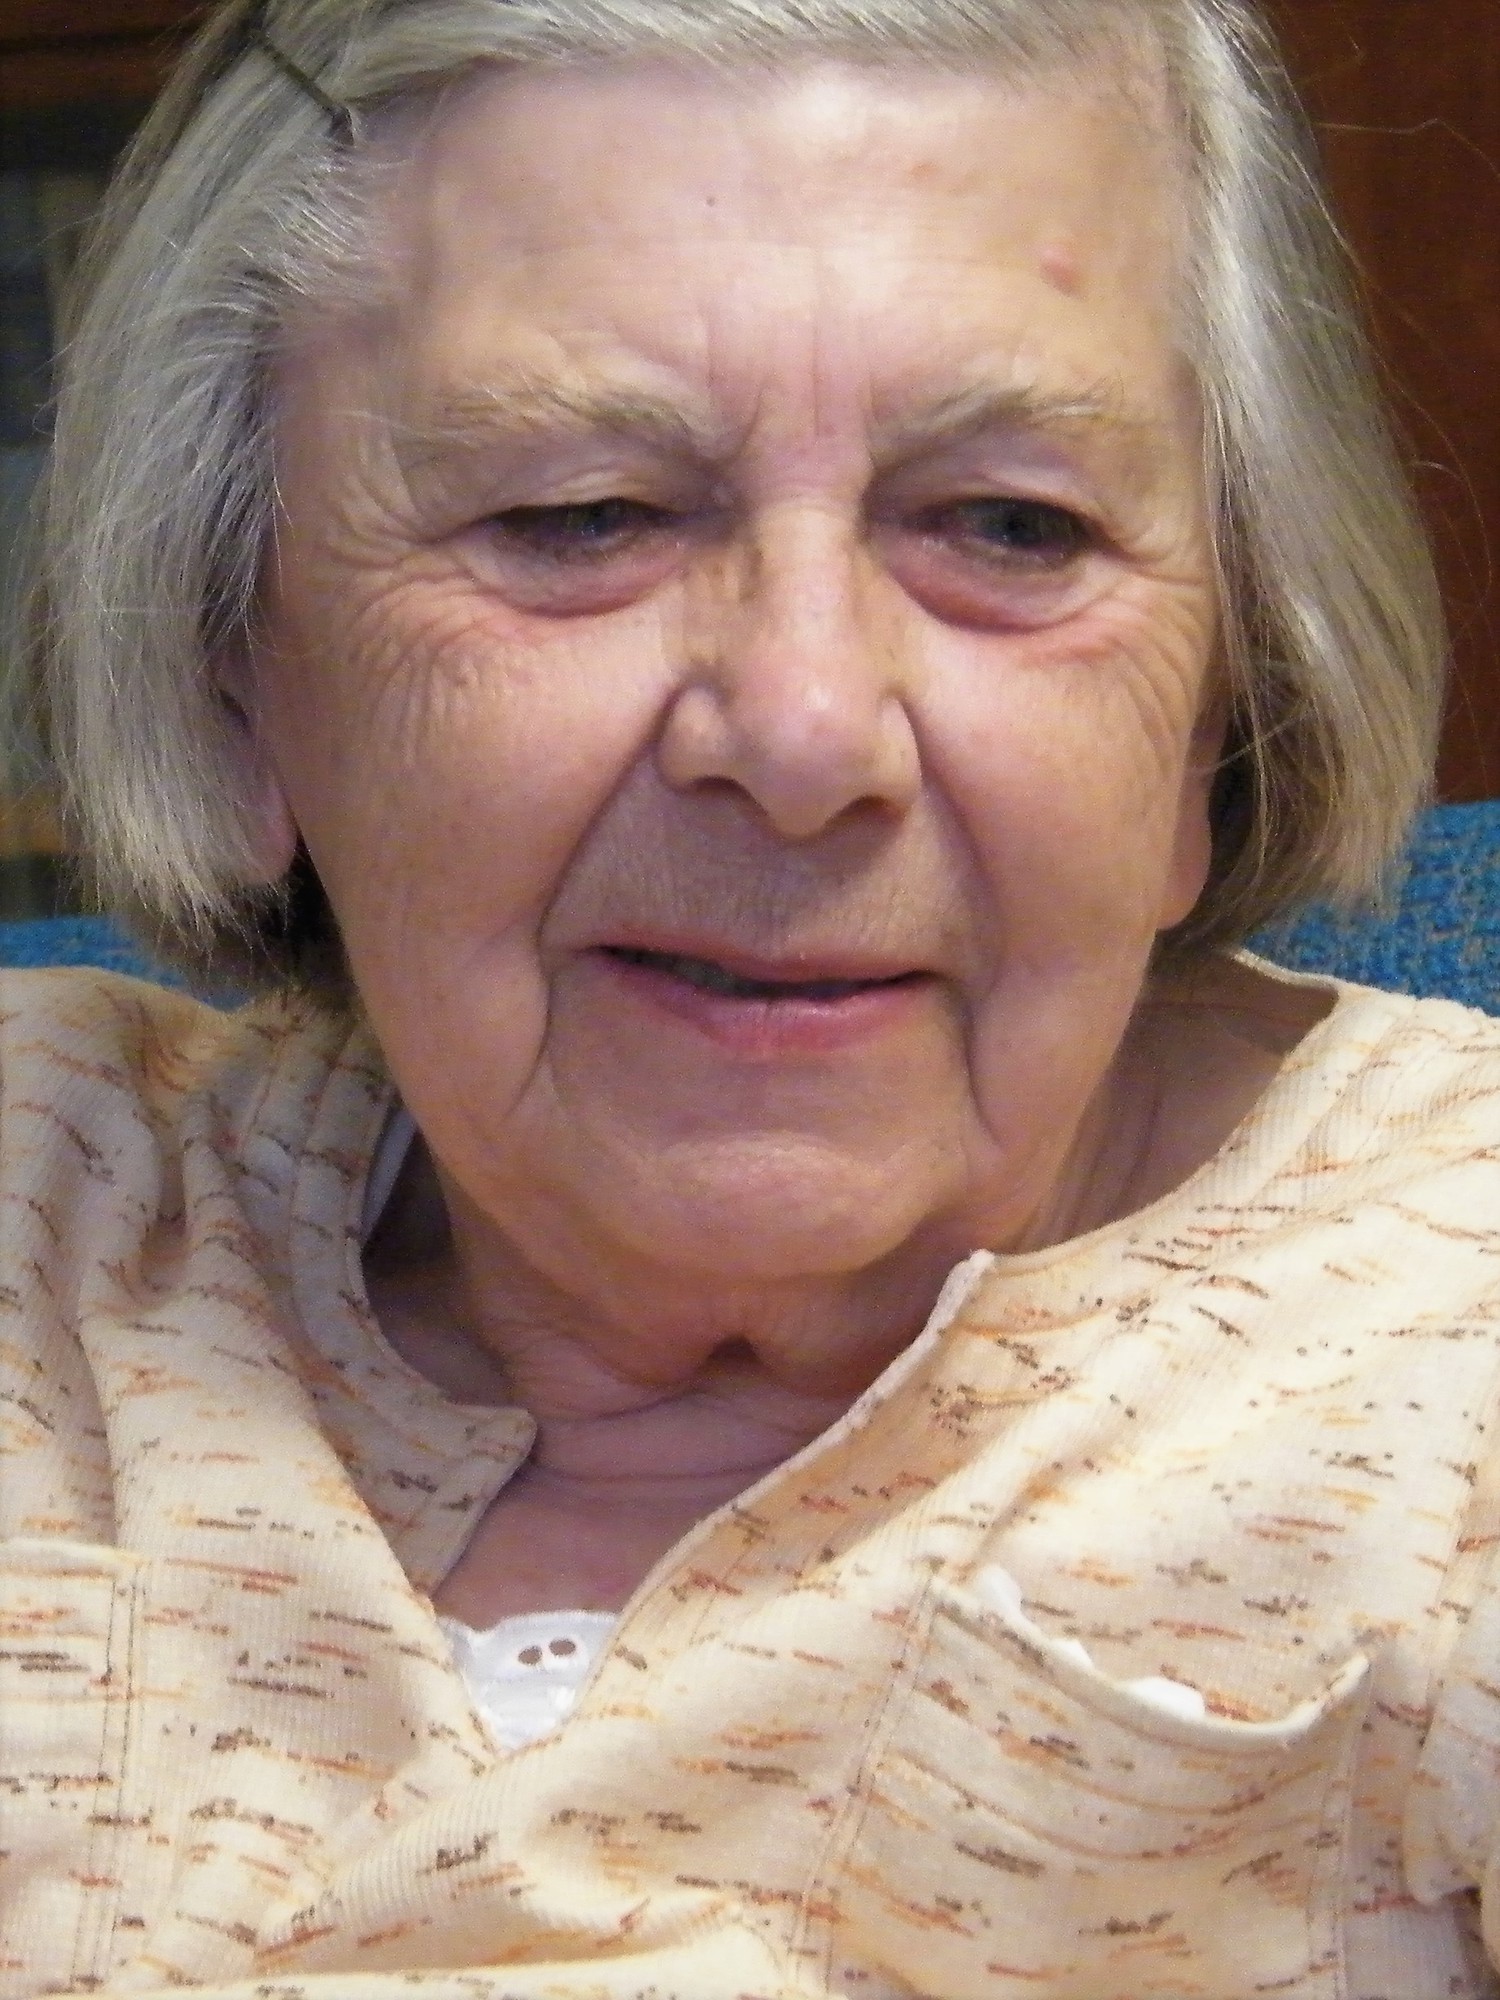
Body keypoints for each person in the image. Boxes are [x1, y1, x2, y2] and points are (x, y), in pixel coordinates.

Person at [4, 0, 1497, 1993]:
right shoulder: (45, 1212)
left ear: (1218, 708)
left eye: (1012, 525)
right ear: (237, 664)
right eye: (580, 515)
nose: (803, 730)